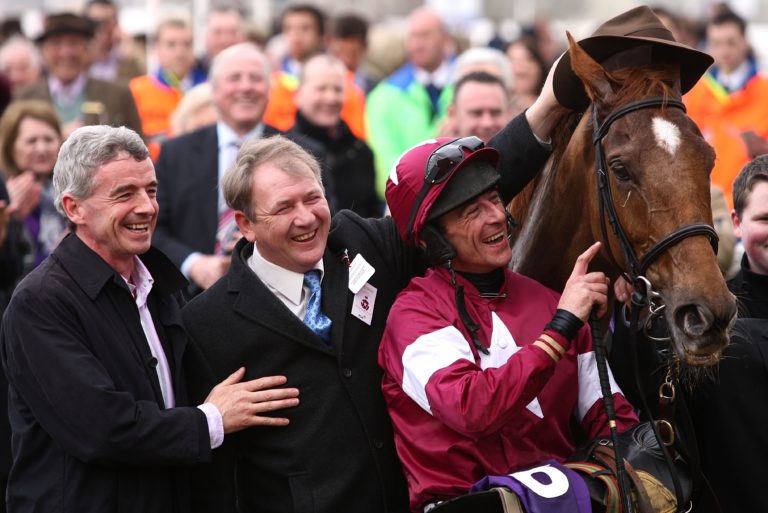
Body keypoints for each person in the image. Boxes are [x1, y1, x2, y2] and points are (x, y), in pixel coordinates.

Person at [181, 56, 565, 512]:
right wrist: (212, 421)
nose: (306, 219)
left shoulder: (362, 243)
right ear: (245, 224)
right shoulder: (208, 323)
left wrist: (549, 104)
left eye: (313, 198)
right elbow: (212, 479)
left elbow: (454, 195)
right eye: (285, 208)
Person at [0, 125, 301, 513]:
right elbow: (102, 430)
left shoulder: (158, 284)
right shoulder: (40, 302)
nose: (146, 207)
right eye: (124, 194)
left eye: (151, 190)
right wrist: (210, 421)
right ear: (74, 208)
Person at [379, 137, 637, 511]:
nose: (497, 215)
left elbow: (613, 419)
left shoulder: (552, 300)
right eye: (471, 210)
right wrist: (561, 326)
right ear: (432, 238)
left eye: (494, 198)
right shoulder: (413, 316)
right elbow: (471, 409)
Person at [153, 42, 324, 292]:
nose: (245, 87)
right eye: (234, 78)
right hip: (192, 297)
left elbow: (323, 222)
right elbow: (154, 229)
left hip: (280, 295)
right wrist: (194, 264)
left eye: (255, 78)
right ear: (213, 90)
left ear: (268, 89)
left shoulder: (304, 152)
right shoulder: (175, 153)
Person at [366, 7, 455, 197]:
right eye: (413, 37)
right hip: (408, 202)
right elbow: (387, 169)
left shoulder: (468, 84)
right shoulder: (383, 95)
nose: (417, 44)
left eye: (425, 35)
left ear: (445, 39)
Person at [684, 8, 768, 209]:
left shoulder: (764, 91)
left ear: (745, 42)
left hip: (754, 208)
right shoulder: (695, 93)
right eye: (717, 44)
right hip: (707, 207)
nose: (724, 51)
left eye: (731, 42)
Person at [16, 13, 143, 139]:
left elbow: (138, 151)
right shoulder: (24, 98)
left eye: (73, 43)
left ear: (88, 48)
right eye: (57, 43)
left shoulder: (119, 94)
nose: (66, 52)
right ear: (43, 51)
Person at [289, 53, 381, 217]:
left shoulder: (361, 152)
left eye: (337, 89)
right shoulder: (283, 151)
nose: (331, 98)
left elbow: (371, 216)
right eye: (321, 89)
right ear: (298, 94)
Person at [263, 4, 367, 140]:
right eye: (289, 29)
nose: (296, 36)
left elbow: (357, 135)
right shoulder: (272, 86)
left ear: (322, 36)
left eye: (305, 29)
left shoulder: (346, 83)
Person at [0, 100, 67, 270]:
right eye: (31, 141)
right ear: (10, 147)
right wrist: (12, 221)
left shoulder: (71, 188)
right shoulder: (5, 195)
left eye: (49, 139)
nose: (42, 148)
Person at [129, 19, 206, 160]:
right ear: (156, 49)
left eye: (187, 44)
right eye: (171, 44)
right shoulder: (136, 90)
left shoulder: (209, 92)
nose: (180, 51)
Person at [83, 0, 143, 84]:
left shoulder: (127, 56)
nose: (101, 27)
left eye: (107, 22)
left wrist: (130, 58)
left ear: (116, 24)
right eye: (95, 22)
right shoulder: (76, 56)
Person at [446, 71, 511, 143]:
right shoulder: (434, 153)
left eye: (495, 113)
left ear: (509, 113)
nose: (487, 123)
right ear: (453, 114)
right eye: (476, 113)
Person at [193, 3, 246, 78]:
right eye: (218, 32)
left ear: (243, 36)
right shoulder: (191, 72)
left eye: (232, 32)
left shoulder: (257, 73)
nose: (225, 40)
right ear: (205, 37)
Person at [328, 13, 376, 94]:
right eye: (342, 50)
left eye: (353, 52)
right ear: (330, 43)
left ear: (365, 46)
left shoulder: (375, 87)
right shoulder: (316, 81)